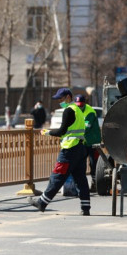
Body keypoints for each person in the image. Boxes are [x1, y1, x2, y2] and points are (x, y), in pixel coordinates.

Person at [28, 88, 91, 216]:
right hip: (80, 148)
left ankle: (42, 202)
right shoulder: (77, 110)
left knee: (57, 177)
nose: (60, 102)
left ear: (68, 97)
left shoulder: (68, 111)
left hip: (69, 150)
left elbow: (62, 131)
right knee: (81, 179)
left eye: (61, 99)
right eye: (58, 100)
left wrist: (47, 132)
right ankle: (85, 208)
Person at [74, 94, 101, 180]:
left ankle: (95, 182)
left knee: (93, 163)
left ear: (84, 104)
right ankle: (82, 183)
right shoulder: (75, 111)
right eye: (78, 105)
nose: (80, 107)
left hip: (93, 141)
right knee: (81, 162)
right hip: (83, 141)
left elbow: (86, 127)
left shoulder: (90, 112)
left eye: (81, 105)